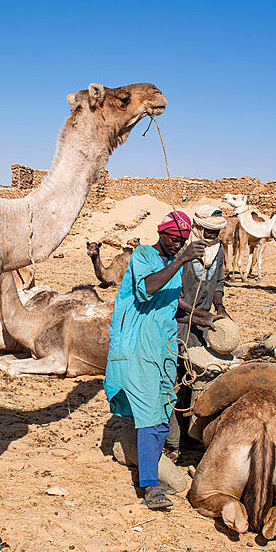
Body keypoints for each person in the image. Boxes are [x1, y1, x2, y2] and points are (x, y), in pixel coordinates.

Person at [105, 211, 205, 510]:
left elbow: (173, 302)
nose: (178, 244)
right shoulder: (144, 255)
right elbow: (148, 289)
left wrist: (203, 316)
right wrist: (182, 259)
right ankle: (149, 486)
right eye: (174, 239)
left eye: (183, 241)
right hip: (138, 348)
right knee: (150, 414)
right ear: (161, 233)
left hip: (161, 348)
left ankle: (151, 471)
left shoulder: (170, 263)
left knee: (162, 412)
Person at [164, 204, 230, 461]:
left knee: (199, 382)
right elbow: (171, 293)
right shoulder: (182, 249)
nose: (213, 236)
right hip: (177, 323)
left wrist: (220, 307)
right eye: (209, 231)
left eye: (217, 231)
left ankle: (193, 439)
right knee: (176, 382)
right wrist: (199, 315)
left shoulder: (218, 251)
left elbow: (219, 282)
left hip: (202, 327)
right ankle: (172, 443)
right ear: (198, 227)